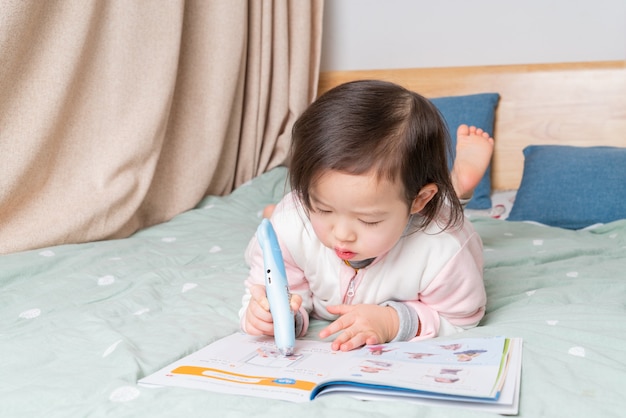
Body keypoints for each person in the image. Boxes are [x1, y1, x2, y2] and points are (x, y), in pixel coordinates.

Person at [239, 79, 492, 352]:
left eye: (369, 220)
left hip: (427, 220)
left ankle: (456, 189)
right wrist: (277, 315)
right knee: (286, 218)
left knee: (444, 210)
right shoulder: (292, 226)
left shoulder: (443, 252)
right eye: (323, 208)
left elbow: (460, 318)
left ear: (419, 200)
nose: (342, 235)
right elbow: (281, 289)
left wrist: (393, 322)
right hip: (297, 214)